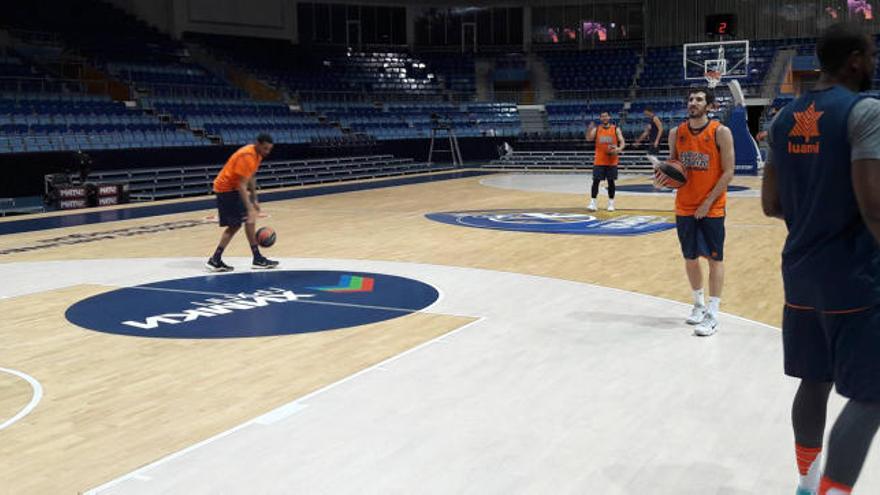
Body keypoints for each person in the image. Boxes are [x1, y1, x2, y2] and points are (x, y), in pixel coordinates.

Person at [762, 23, 880, 495]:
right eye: (870, 55)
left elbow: (771, 204)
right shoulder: (864, 111)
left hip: (800, 276)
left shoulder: (782, 118)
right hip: (853, 278)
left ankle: (807, 485)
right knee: (872, 393)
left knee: (814, 381)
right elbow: (873, 206)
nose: (872, 64)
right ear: (854, 59)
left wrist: (817, 203)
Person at [667, 88, 735, 337]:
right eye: (690, 99)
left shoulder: (720, 132)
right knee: (690, 258)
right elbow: (673, 168)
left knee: (715, 259)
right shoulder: (676, 133)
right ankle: (698, 305)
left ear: (710, 106)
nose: (693, 103)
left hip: (712, 208)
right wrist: (663, 177)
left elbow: (729, 172)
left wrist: (707, 202)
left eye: (699, 99)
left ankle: (713, 313)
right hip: (684, 205)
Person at [206, 133, 279, 272]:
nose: (267, 152)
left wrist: (255, 199)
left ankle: (257, 258)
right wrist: (249, 207)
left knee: (249, 220)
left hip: (233, 188)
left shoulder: (257, 155)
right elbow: (241, 185)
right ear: (257, 143)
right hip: (225, 189)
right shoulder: (247, 156)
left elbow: (251, 177)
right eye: (265, 148)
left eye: (269, 149)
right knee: (235, 225)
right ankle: (215, 259)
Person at [585, 111, 625, 212]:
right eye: (602, 116)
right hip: (599, 160)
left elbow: (622, 142)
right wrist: (589, 129)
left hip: (612, 161)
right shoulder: (597, 129)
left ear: (609, 117)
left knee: (611, 182)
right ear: (600, 118)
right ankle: (593, 202)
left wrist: (619, 149)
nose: (604, 118)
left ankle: (611, 203)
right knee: (595, 182)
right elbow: (589, 139)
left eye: (606, 116)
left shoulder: (616, 129)